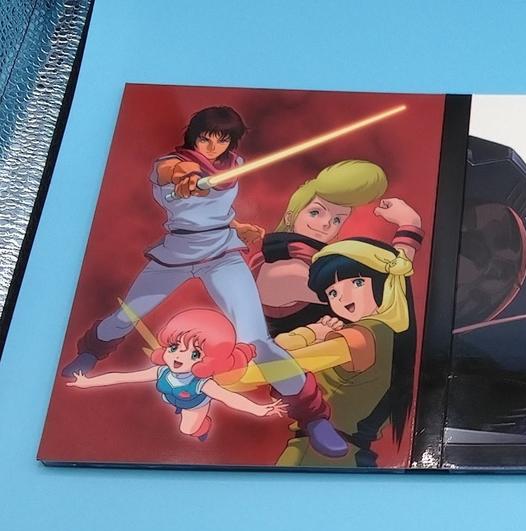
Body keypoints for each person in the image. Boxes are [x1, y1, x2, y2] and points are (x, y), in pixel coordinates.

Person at [58, 105, 350, 457]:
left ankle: (314, 417)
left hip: (222, 254)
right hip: (175, 255)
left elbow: (216, 212)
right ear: (193, 137)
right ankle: (90, 353)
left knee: (257, 341)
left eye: (221, 140)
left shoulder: (235, 164)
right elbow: (170, 170)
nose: (212, 147)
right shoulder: (169, 165)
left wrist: (238, 226)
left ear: (231, 142)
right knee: (125, 316)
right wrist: (187, 173)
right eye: (205, 139)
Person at [272, 239, 417, 467]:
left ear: (385, 284)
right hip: (351, 456)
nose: (342, 297)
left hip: (318, 456)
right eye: (333, 292)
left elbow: (275, 362)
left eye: (357, 282)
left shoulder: (361, 336)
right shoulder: (395, 334)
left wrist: (312, 332)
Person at [250, 160, 423, 336]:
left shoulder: (321, 260)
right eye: (315, 212)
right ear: (290, 217)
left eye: (337, 219)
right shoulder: (282, 266)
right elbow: (388, 286)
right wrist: (409, 225)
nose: (327, 223)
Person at [66, 309, 288, 441]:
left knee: (187, 430)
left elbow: (229, 398)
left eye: (194, 353)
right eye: (174, 347)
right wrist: (88, 383)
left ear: (209, 359)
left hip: (194, 404)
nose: (179, 356)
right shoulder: (160, 370)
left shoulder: (203, 384)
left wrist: (259, 410)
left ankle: (204, 426)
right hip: (172, 397)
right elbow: (123, 377)